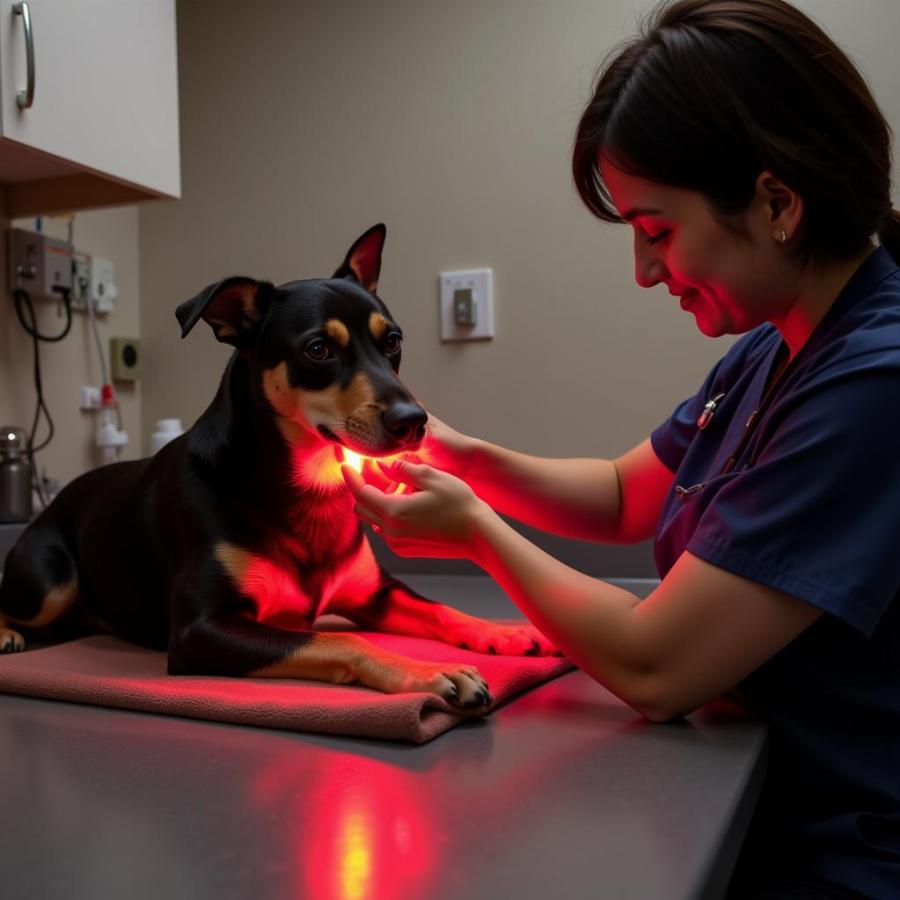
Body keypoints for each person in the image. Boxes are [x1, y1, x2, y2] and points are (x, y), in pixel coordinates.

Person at [342, 1, 900, 897]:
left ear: (777, 203)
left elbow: (657, 667)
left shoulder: (874, 387)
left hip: (847, 856)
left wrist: (475, 531)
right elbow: (620, 494)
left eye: (656, 232)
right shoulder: (775, 348)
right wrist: (457, 454)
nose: (645, 272)